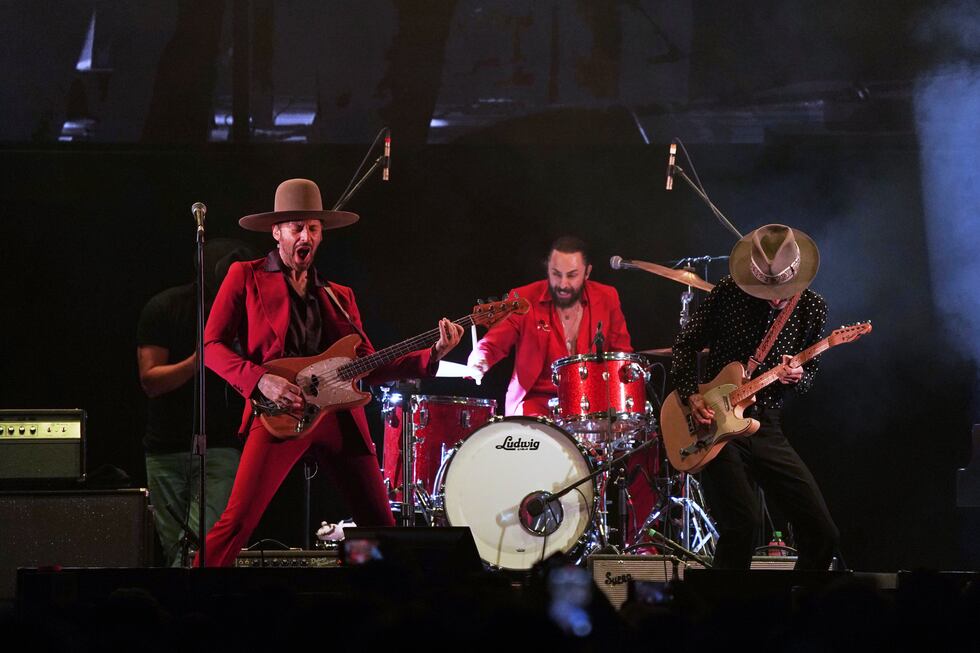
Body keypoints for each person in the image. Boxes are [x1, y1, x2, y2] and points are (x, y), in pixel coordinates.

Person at [199, 178, 463, 567]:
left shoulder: (339, 295)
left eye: (313, 228)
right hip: (281, 413)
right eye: (296, 227)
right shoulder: (246, 275)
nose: (305, 235)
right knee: (237, 522)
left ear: (321, 235)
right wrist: (259, 380)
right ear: (277, 232)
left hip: (339, 417)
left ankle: (380, 606)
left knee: (378, 525)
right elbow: (211, 347)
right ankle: (192, 595)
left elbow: (370, 366)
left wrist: (432, 354)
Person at [671, 223, 839, 570]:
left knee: (823, 533)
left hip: (767, 423)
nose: (774, 297)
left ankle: (800, 612)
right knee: (742, 525)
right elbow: (685, 345)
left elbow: (811, 378)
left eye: (782, 288)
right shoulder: (729, 292)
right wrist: (691, 395)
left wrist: (797, 377)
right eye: (766, 287)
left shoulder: (812, 308)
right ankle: (726, 618)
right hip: (716, 425)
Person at [136, 238, 258, 566]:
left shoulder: (246, 312)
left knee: (204, 548)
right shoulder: (164, 307)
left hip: (220, 447)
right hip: (166, 449)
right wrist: (199, 361)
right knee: (175, 549)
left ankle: (194, 611)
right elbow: (151, 381)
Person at [467, 236, 632, 417]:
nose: (562, 284)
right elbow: (495, 341)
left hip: (591, 406)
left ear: (587, 272)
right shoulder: (523, 298)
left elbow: (623, 355)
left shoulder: (607, 297)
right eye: (556, 274)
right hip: (535, 404)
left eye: (572, 275)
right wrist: (481, 357)